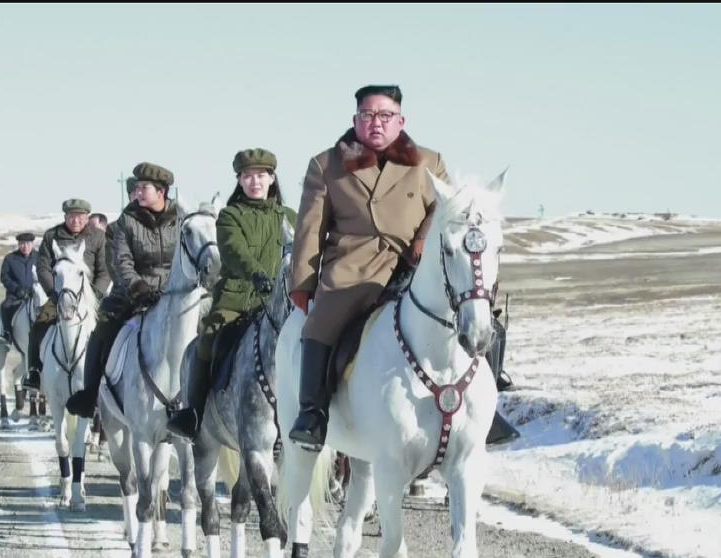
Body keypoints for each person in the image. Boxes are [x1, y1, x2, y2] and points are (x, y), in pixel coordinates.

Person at [287, 84, 519, 449]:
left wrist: (423, 240)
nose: (376, 123)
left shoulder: (428, 162)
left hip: (415, 266)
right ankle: (313, 413)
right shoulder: (326, 165)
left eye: (385, 116)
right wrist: (302, 282)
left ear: (400, 120)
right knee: (321, 323)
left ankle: (488, 414)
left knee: (481, 314)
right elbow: (309, 228)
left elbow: (446, 210)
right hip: (353, 270)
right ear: (355, 120)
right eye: (367, 115)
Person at [166, 149, 297, 439]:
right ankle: (194, 414)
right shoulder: (229, 216)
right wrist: (256, 274)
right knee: (208, 338)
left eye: (260, 175)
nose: (254, 182)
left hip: (283, 301)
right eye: (247, 176)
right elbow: (233, 250)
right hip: (238, 298)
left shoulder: (288, 216)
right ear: (239, 180)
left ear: (272, 178)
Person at [65, 163, 181, 418]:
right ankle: (90, 394)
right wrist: (139, 288)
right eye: (136, 188)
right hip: (132, 294)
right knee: (103, 329)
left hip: (173, 295)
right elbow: (122, 262)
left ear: (161, 191)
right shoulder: (124, 223)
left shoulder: (181, 219)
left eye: (143, 188)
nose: (137, 192)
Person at [21, 199, 111, 391]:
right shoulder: (51, 236)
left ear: (87, 217)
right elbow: (44, 267)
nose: (75, 220)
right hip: (59, 296)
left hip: (90, 297)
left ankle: (107, 374)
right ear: (65, 217)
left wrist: (95, 294)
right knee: (39, 325)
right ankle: (34, 372)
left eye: (79, 216)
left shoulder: (98, 237)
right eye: (71, 216)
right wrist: (54, 293)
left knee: (109, 327)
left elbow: (105, 270)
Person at [0, 232, 37, 346]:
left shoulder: (39, 257)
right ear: (19, 244)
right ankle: (7, 334)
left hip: (35, 294)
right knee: (5, 306)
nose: (25, 247)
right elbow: (4, 277)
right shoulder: (10, 258)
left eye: (28, 243)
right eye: (22, 244)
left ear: (32, 244)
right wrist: (17, 289)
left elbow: (44, 274)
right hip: (15, 295)